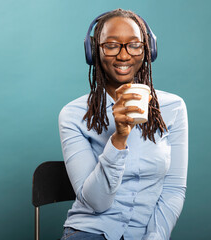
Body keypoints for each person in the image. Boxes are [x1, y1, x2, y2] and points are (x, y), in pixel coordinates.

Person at [58, 8, 188, 240]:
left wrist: (156, 236)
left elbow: (173, 190)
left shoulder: (173, 108)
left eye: (134, 45)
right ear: (93, 52)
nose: (124, 55)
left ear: (148, 50)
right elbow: (96, 202)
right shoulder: (73, 115)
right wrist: (118, 138)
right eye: (111, 45)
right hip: (90, 232)